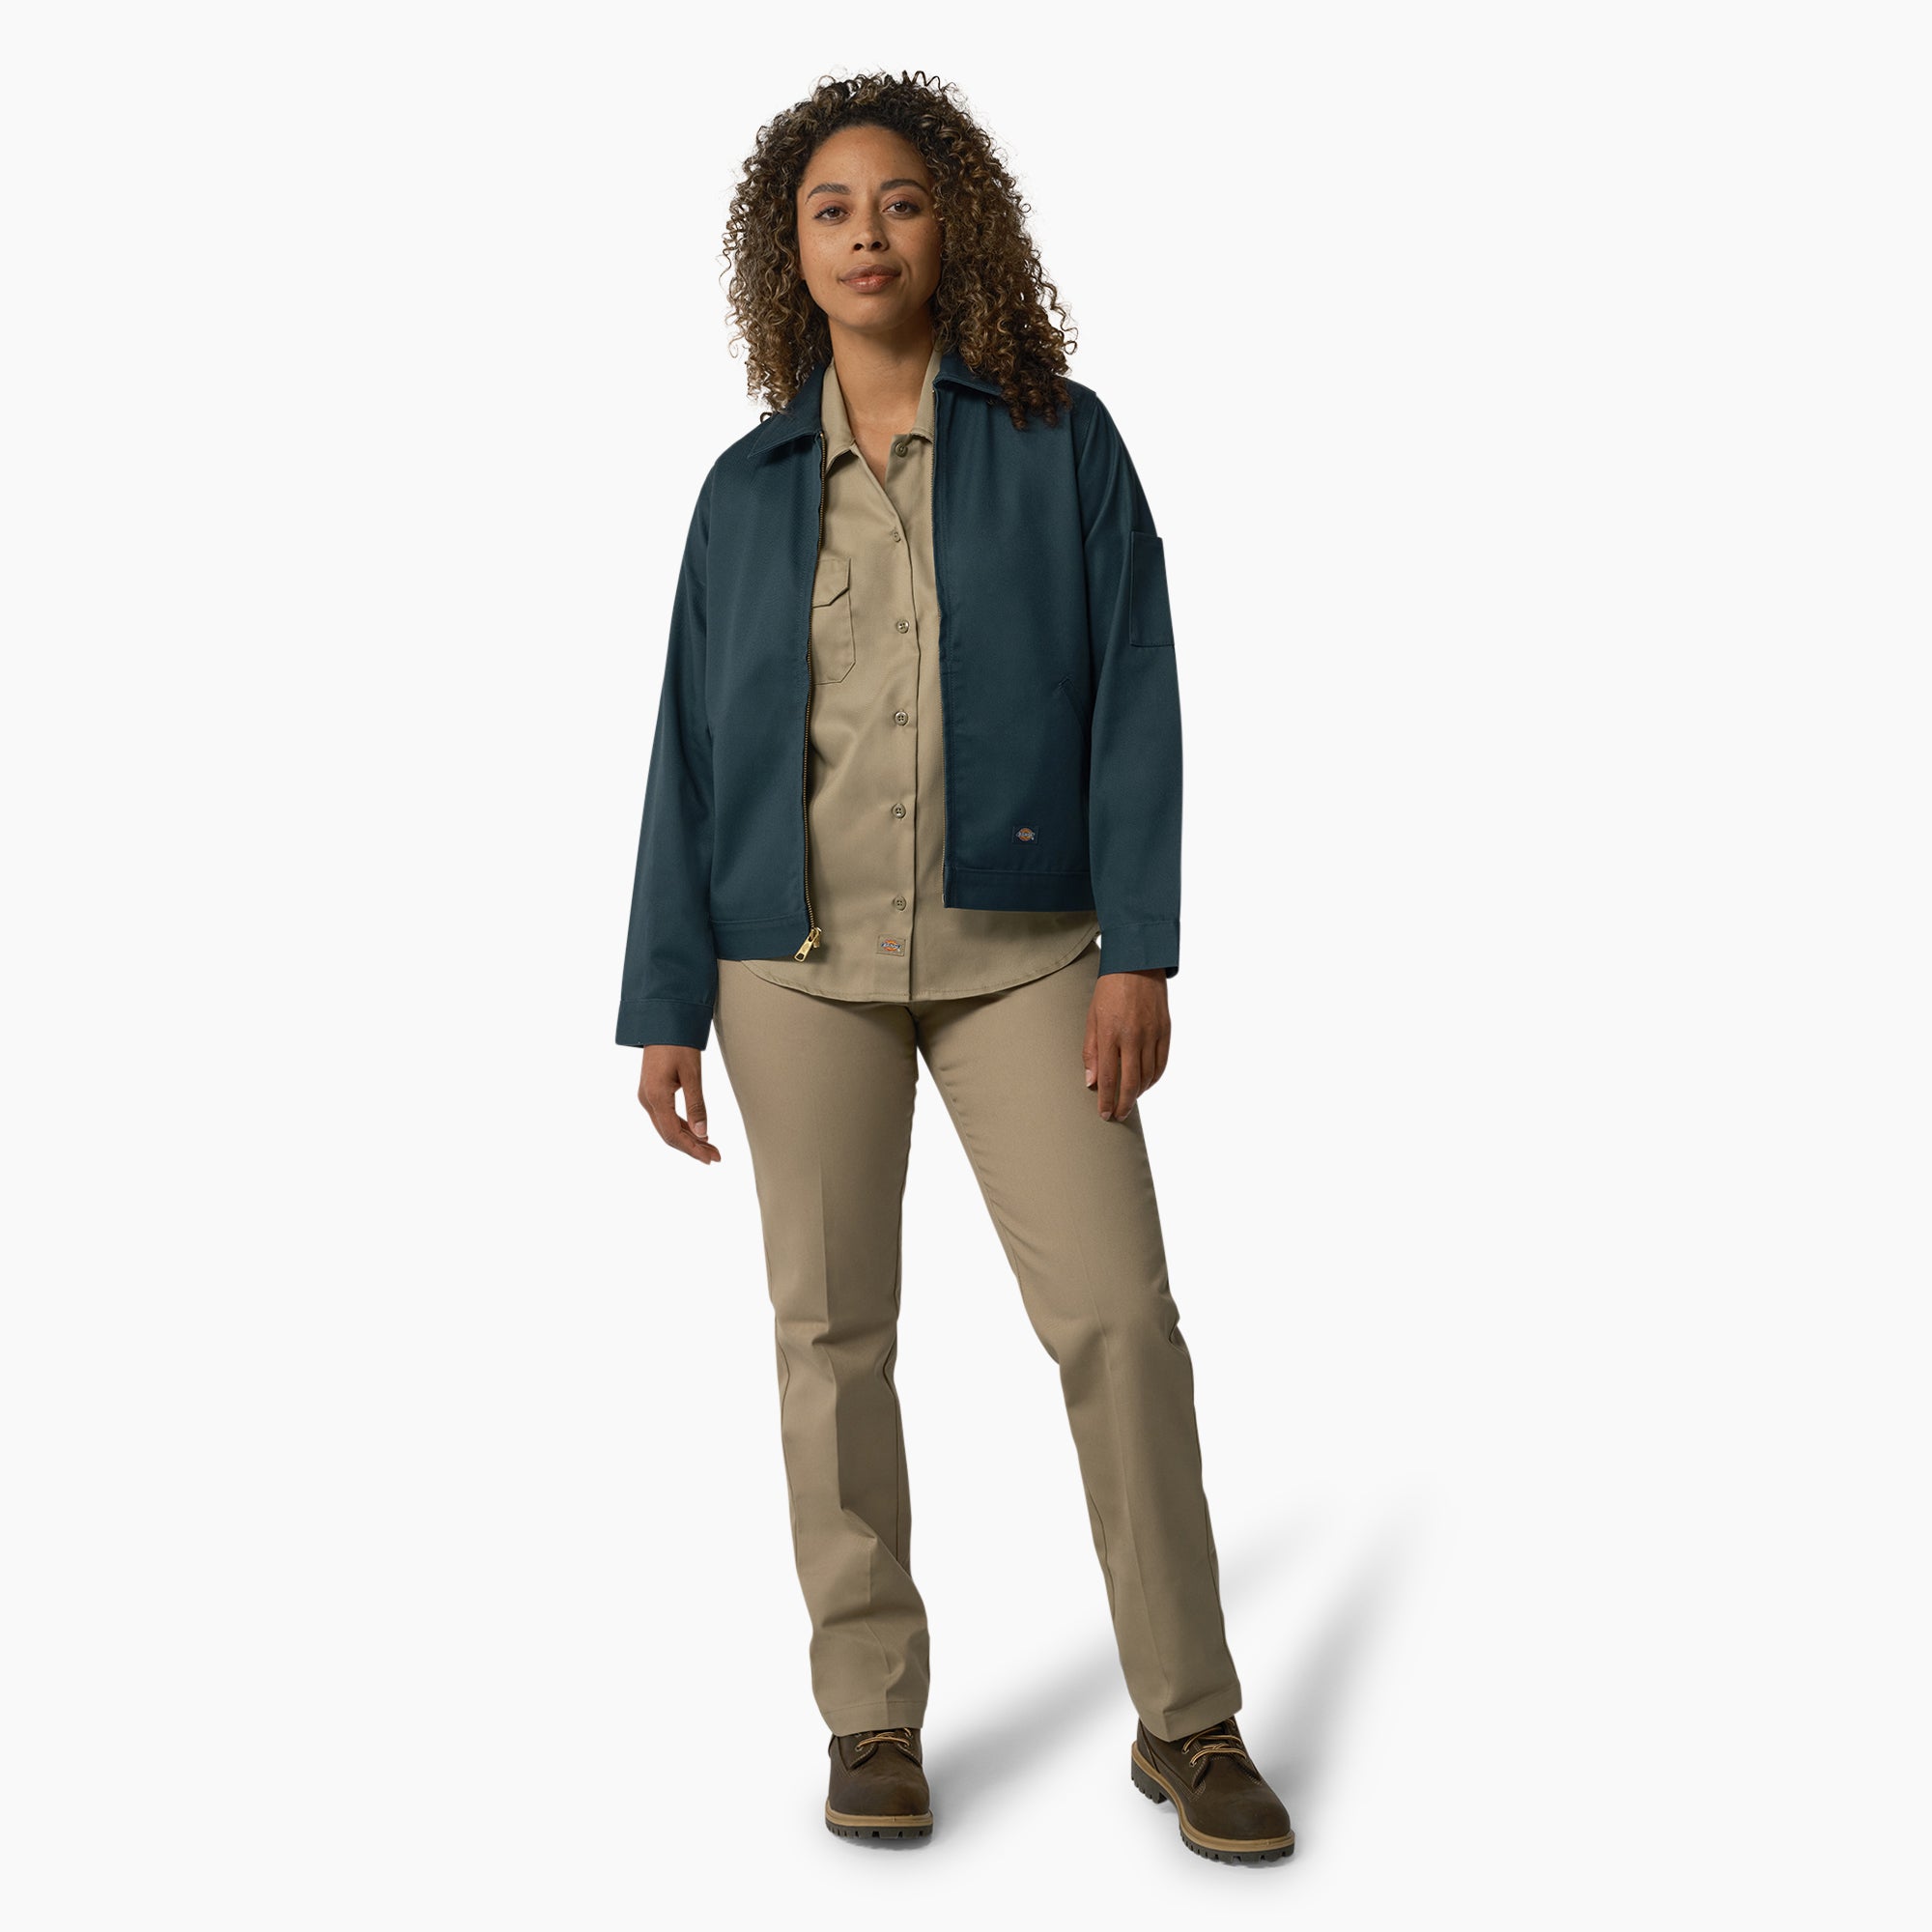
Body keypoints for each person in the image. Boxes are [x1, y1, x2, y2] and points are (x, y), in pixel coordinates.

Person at [615, 70, 1293, 1866]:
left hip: (1027, 955)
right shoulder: (743, 493)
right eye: (831, 208)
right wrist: (663, 1000)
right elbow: (689, 753)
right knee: (830, 1340)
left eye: (900, 201)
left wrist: (1141, 949)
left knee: (1119, 1320)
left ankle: (1189, 1717)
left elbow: (1136, 689)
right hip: (788, 966)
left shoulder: (1062, 440)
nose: (867, 235)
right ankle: (872, 1715)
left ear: (953, 224)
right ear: (789, 247)